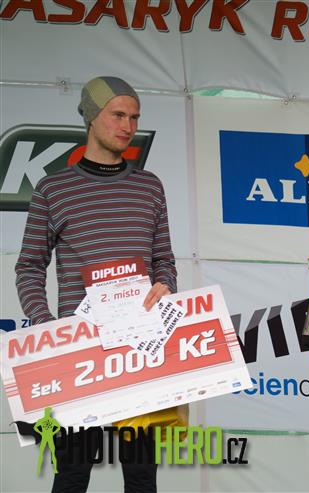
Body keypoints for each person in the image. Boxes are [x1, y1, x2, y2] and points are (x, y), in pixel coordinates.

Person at [15, 76, 177, 493]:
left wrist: (164, 285)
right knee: (72, 475)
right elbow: (29, 267)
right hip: (79, 353)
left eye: (134, 117)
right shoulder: (53, 189)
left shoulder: (149, 186)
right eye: (118, 115)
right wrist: (47, 326)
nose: (128, 126)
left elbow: (164, 260)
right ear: (91, 116)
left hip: (141, 349)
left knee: (141, 476)